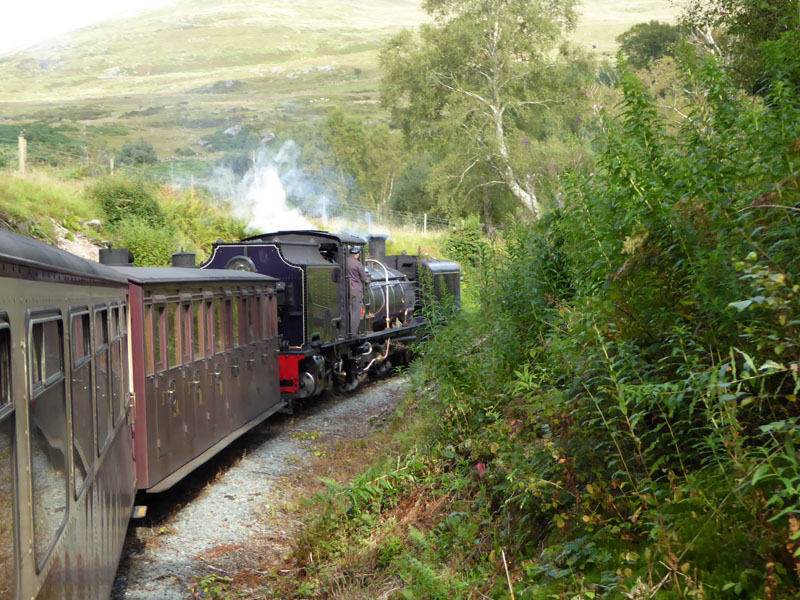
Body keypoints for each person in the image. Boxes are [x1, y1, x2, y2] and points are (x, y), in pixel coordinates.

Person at [345, 246, 368, 336]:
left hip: (343, 290)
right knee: (356, 312)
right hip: (355, 290)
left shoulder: (342, 263)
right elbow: (364, 278)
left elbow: (334, 278)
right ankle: (353, 333)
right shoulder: (357, 264)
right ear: (357, 254)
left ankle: (344, 332)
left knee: (345, 311)